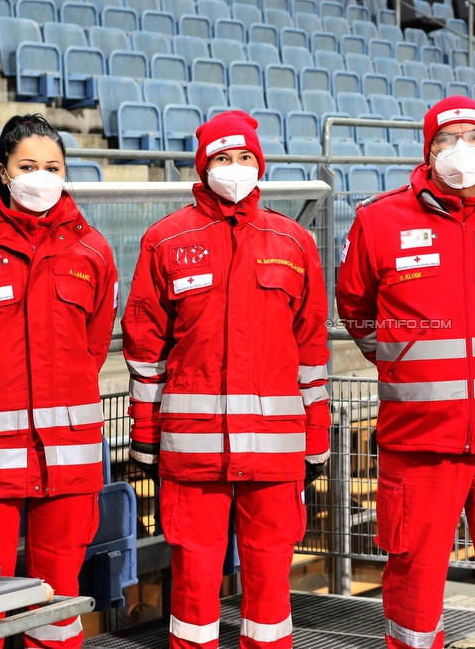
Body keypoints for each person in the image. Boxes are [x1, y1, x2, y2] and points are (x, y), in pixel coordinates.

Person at [336, 96, 475, 649]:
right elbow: (357, 309)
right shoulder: (378, 219)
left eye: (474, 138)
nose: (461, 150)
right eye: (446, 139)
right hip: (417, 444)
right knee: (413, 584)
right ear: (427, 150)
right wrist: (405, 359)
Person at [122, 110, 330, 649]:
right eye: (221, 158)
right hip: (194, 451)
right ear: (203, 165)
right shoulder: (166, 240)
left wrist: (318, 435)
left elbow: (311, 352)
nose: (233, 169)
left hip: (276, 453)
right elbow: (146, 351)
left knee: (270, 591)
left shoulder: (294, 242)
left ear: (259, 165)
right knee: (193, 587)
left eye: (244, 158)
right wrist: (144, 437)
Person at [0, 114, 119, 649]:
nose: (41, 176)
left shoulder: (94, 251)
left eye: (52, 166)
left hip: (68, 461)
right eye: (27, 165)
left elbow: (94, 345)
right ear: (4, 173)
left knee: (58, 604)